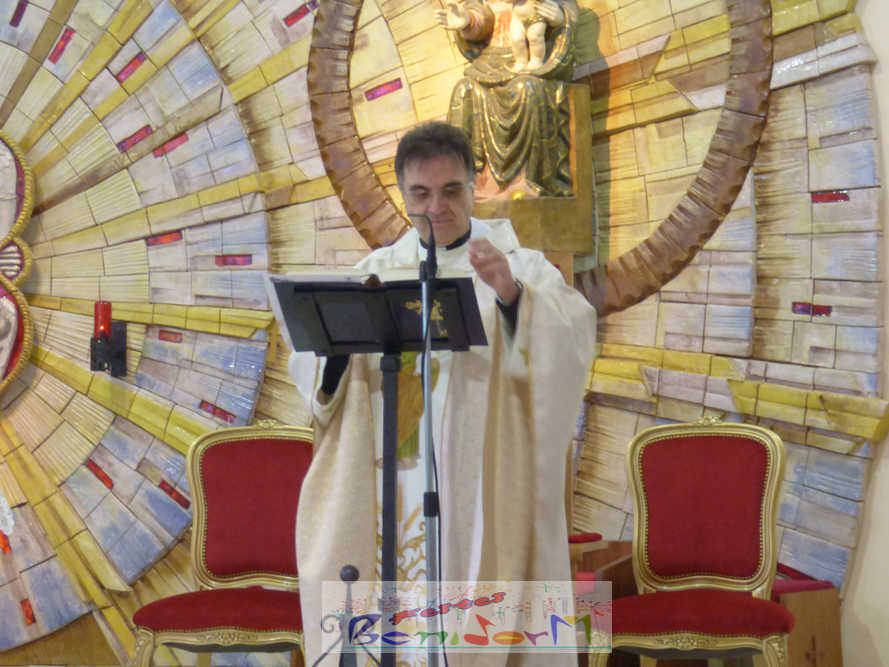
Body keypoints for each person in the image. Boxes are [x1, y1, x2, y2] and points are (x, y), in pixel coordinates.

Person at [290, 122, 597, 665]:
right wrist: (335, 351)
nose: (436, 208)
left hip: (483, 480)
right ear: (403, 194)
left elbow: (571, 340)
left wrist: (512, 297)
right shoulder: (375, 273)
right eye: (421, 194)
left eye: (451, 191)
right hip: (393, 480)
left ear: (474, 185)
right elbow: (317, 371)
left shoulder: (519, 265)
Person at [436, 0, 579, 198]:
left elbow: (568, 14)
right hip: (489, 63)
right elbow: (484, 17)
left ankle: (524, 181)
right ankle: (467, 181)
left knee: (526, 88)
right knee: (463, 89)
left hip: (532, 62)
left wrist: (561, 19)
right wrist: (468, 21)